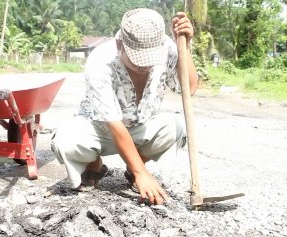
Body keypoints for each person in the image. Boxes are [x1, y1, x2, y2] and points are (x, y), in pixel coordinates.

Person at [51, 8, 197, 205]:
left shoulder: (167, 47)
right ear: (120, 44)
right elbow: (114, 125)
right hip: (100, 129)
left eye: (149, 61)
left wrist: (184, 48)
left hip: (139, 128)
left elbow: (189, 89)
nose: (144, 67)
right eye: (138, 61)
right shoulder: (101, 60)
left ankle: (133, 169)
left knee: (177, 127)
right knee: (66, 141)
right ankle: (95, 165)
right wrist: (142, 173)